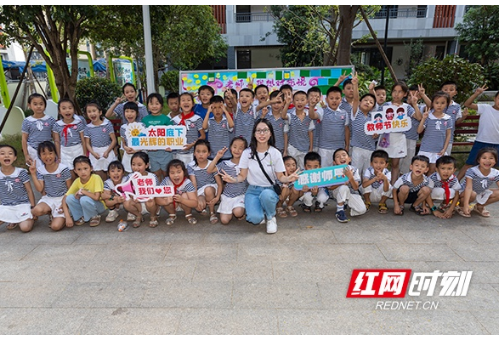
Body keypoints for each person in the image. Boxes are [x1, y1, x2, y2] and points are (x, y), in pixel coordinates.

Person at [220, 119, 301, 234]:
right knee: (254, 219)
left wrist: (288, 179)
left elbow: (280, 177)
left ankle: (271, 217)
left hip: (269, 189)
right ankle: (261, 212)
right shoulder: (247, 153)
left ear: (270, 133)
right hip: (252, 190)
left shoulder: (275, 153)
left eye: (265, 130)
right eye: (258, 131)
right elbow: (242, 176)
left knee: (266, 195)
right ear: (254, 133)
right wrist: (233, 179)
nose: (262, 134)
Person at [376, 82, 423, 185]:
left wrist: (415, 104)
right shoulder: (385, 105)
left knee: (395, 164)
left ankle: (392, 186)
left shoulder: (407, 107)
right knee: (380, 162)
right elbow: (377, 120)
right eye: (394, 91)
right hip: (385, 137)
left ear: (405, 94)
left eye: (400, 92)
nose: (396, 94)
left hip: (399, 138)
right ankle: (379, 185)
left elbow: (419, 117)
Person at [458, 87, 499, 181]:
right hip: (482, 141)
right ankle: (454, 184)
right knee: (469, 163)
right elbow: (467, 104)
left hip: (497, 143)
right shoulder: (485, 108)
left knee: (494, 167)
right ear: (495, 98)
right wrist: (476, 93)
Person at [30, 141, 72, 232]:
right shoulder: (40, 170)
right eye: (44, 154)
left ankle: (65, 214)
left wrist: (65, 204)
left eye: (50, 153)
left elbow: (70, 189)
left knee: (55, 227)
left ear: (55, 154)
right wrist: (33, 174)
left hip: (62, 198)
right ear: (40, 156)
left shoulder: (63, 169)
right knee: (36, 210)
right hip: (49, 198)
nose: (47, 156)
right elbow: (40, 189)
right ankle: (51, 213)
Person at [209, 137, 249, 225]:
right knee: (224, 221)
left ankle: (241, 212)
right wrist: (217, 157)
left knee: (238, 212)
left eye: (241, 148)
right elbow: (209, 170)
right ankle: (231, 211)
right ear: (230, 148)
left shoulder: (247, 164)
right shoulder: (225, 164)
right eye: (234, 147)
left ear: (245, 150)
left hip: (241, 195)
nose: (237, 150)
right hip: (227, 195)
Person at [309, 86, 350, 169]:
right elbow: (313, 116)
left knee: (339, 172)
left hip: (339, 149)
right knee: (324, 172)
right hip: (324, 148)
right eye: (331, 98)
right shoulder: (322, 111)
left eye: (337, 98)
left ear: (340, 100)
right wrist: (312, 107)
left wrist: (347, 145)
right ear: (327, 100)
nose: (334, 100)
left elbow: (346, 130)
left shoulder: (344, 113)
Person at [63, 156, 108, 228]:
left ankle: (94, 216)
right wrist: (67, 216)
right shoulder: (77, 181)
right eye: (79, 169)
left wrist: (83, 191)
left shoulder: (96, 178)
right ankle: (81, 216)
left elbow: (97, 197)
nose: (83, 172)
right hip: (86, 203)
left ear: (91, 168)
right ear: (75, 171)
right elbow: (65, 198)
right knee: (70, 198)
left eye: (85, 168)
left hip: (100, 206)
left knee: (84, 199)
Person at [0, 144, 36, 233]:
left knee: (25, 228)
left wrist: (33, 207)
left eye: (10, 153)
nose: (6, 155)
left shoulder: (21, 172)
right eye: (2, 153)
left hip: (22, 205)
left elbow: (29, 190)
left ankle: (27, 217)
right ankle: (11, 219)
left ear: (15, 157)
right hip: (6, 206)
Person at [417, 92, 453, 176]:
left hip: (438, 150)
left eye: (442, 103)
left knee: (434, 171)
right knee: (423, 170)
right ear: (432, 103)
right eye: (437, 103)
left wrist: (444, 149)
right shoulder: (428, 116)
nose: (439, 105)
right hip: (426, 149)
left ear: (447, 104)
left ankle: (431, 188)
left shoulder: (448, 118)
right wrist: (423, 118)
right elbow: (419, 131)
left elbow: (448, 135)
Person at [188, 140, 223, 225]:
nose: (200, 154)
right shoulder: (191, 166)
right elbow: (194, 184)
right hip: (200, 190)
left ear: (209, 153)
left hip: (212, 187)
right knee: (199, 205)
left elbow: (219, 183)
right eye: (198, 151)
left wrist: (217, 197)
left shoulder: (212, 165)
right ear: (194, 153)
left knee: (208, 190)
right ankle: (203, 207)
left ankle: (212, 212)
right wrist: (196, 199)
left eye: (204, 151)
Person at [350, 74, 378, 178]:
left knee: (367, 174)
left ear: (373, 107)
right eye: (365, 100)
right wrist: (355, 84)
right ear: (360, 102)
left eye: (371, 102)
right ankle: (354, 191)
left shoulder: (374, 117)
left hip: (370, 149)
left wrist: (377, 134)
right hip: (357, 148)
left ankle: (365, 193)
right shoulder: (356, 113)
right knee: (355, 172)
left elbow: (378, 132)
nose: (368, 102)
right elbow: (356, 98)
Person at [457, 148, 499, 218]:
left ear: (495, 161)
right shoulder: (472, 171)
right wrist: (466, 204)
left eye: (491, 158)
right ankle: (461, 206)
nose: (487, 161)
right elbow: (468, 188)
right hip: (466, 193)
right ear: (478, 160)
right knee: (472, 193)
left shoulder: (496, 173)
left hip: (481, 192)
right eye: (484, 158)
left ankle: (479, 206)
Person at [328, 148, 367, 223]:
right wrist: (341, 183)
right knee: (343, 187)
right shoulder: (332, 171)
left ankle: (345, 203)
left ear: (349, 159)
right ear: (334, 162)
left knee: (362, 210)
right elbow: (330, 188)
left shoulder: (354, 169)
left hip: (351, 193)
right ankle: (340, 211)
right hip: (338, 192)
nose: (342, 158)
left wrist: (350, 177)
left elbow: (355, 188)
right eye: (338, 156)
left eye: (344, 155)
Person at [122, 152, 160, 228]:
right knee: (126, 203)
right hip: (137, 204)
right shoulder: (129, 176)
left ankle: (153, 216)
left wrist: (148, 197)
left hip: (150, 204)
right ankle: (138, 216)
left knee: (151, 200)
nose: (136, 168)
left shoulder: (152, 176)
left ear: (146, 165)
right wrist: (133, 197)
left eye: (139, 165)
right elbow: (126, 192)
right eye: (133, 164)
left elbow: (157, 191)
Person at [52, 98, 87, 181]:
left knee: (81, 170)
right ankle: (72, 191)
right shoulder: (57, 125)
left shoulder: (78, 123)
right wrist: (58, 156)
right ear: (59, 111)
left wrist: (85, 153)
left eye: (70, 108)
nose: (67, 111)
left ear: (74, 110)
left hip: (78, 149)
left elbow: (83, 139)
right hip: (64, 151)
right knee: (70, 173)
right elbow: (57, 141)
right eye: (64, 108)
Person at [142, 93, 174, 182]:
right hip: (152, 153)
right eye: (151, 103)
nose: (154, 106)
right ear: (147, 105)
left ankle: (168, 191)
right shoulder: (144, 120)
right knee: (156, 174)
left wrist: (171, 146)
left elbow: (172, 135)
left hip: (165, 152)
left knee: (166, 173)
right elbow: (142, 136)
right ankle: (158, 191)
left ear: (161, 105)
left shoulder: (166, 119)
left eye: (157, 103)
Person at [157, 159, 199, 226]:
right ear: (168, 174)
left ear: (184, 172)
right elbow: (157, 199)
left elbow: (195, 203)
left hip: (185, 204)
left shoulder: (187, 182)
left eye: (179, 172)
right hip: (172, 204)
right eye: (172, 173)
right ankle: (172, 214)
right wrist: (166, 201)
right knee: (166, 196)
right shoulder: (166, 181)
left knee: (185, 195)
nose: (176, 175)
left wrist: (182, 200)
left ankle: (188, 214)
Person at [84, 102, 118, 182]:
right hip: (95, 152)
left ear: (100, 112)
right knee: (98, 174)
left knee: (111, 172)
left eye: (94, 111)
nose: (92, 113)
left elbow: (113, 140)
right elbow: (87, 143)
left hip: (107, 150)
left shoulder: (107, 124)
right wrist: (93, 153)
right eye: (89, 112)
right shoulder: (88, 127)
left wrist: (108, 151)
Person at [22, 93, 57, 169]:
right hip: (33, 149)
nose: (38, 106)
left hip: (48, 149)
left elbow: (55, 136)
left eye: (41, 104)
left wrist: (56, 150)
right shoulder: (27, 121)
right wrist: (26, 155)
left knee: (50, 169)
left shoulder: (50, 119)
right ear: (29, 105)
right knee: (37, 171)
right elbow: (24, 139)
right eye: (35, 104)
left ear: (45, 105)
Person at [283, 90, 315, 170]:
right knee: (292, 168)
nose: (299, 102)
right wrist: (287, 103)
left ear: (307, 101)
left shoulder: (309, 115)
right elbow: (283, 116)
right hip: (293, 146)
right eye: (297, 100)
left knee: (303, 169)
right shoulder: (290, 114)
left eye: (302, 100)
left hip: (305, 147)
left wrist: (311, 148)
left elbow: (310, 132)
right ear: (293, 102)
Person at [172, 93, 206, 166]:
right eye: (183, 100)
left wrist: (192, 144)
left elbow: (203, 136)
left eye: (188, 100)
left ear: (193, 104)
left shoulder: (197, 119)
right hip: (178, 153)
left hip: (193, 153)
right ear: (179, 104)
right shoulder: (175, 120)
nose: (186, 102)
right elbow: (172, 137)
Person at [203, 95, 235, 161]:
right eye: (214, 108)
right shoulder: (209, 121)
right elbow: (204, 127)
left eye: (220, 107)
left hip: (226, 155)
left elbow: (231, 125)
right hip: (212, 155)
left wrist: (225, 111)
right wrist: (208, 112)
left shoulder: (226, 120)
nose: (217, 110)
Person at [362, 150, 392, 215]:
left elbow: (386, 189)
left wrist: (385, 179)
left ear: (386, 165)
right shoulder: (369, 170)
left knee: (390, 186)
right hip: (370, 194)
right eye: (375, 162)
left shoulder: (387, 173)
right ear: (371, 163)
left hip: (380, 195)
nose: (378, 165)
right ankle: (367, 201)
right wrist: (374, 179)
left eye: (381, 163)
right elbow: (364, 185)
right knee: (366, 183)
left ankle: (382, 203)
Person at [120, 102, 145, 174]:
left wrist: (137, 150)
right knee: (129, 175)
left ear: (137, 113)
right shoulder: (123, 127)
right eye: (127, 111)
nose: (129, 114)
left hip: (140, 154)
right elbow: (123, 143)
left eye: (132, 111)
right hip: (128, 155)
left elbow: (145, 142)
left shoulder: (142, 126)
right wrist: (126, 148)